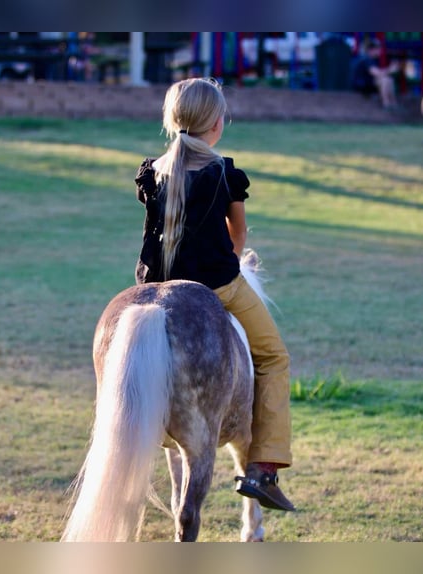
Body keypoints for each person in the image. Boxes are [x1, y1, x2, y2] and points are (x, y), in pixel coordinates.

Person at [133, 78, 295, 512]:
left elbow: (157, 234)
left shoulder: (153, 172)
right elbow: (237, 236)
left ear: (173, 121)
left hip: (154, 287)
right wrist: (227, 264)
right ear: (217, 124)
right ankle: (263, 469)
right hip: (219, 285)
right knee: (274, 357)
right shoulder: (224, 172)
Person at [351, 40, 399, 108]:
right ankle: (386, 104)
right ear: (371, 50)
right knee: (384, 80)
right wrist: (390, 69)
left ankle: (393, 104)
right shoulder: (366, 59)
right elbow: (376, 73)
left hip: (369, 83)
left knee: (389, 80)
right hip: (362, 85)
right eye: (378, 48)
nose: (380, 51)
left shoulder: (374, 59)